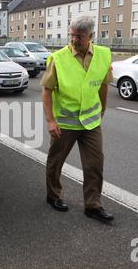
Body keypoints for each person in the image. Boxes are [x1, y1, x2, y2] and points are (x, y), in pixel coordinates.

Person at [40, 16, 114, 223]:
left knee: (95, 164)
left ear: (91, 36)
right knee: (56, 162)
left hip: (91, 123)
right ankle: (53, 196)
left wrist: (102, 109)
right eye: (71, 35)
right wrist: (51, 121)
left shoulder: (104, 55)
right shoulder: (58, 58)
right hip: (65, 123)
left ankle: (93, 205)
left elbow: (103, 84)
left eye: (79, 37)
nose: (73, 40)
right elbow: (46, 91)